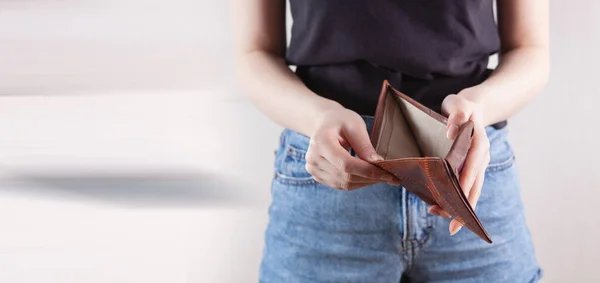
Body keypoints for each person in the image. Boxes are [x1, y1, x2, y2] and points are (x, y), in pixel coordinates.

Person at [233, 0, 549, 282]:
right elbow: (255, 52)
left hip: (467, 170)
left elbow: (529, 48)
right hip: (329, 173)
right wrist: (317, 116)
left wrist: (478, 107)